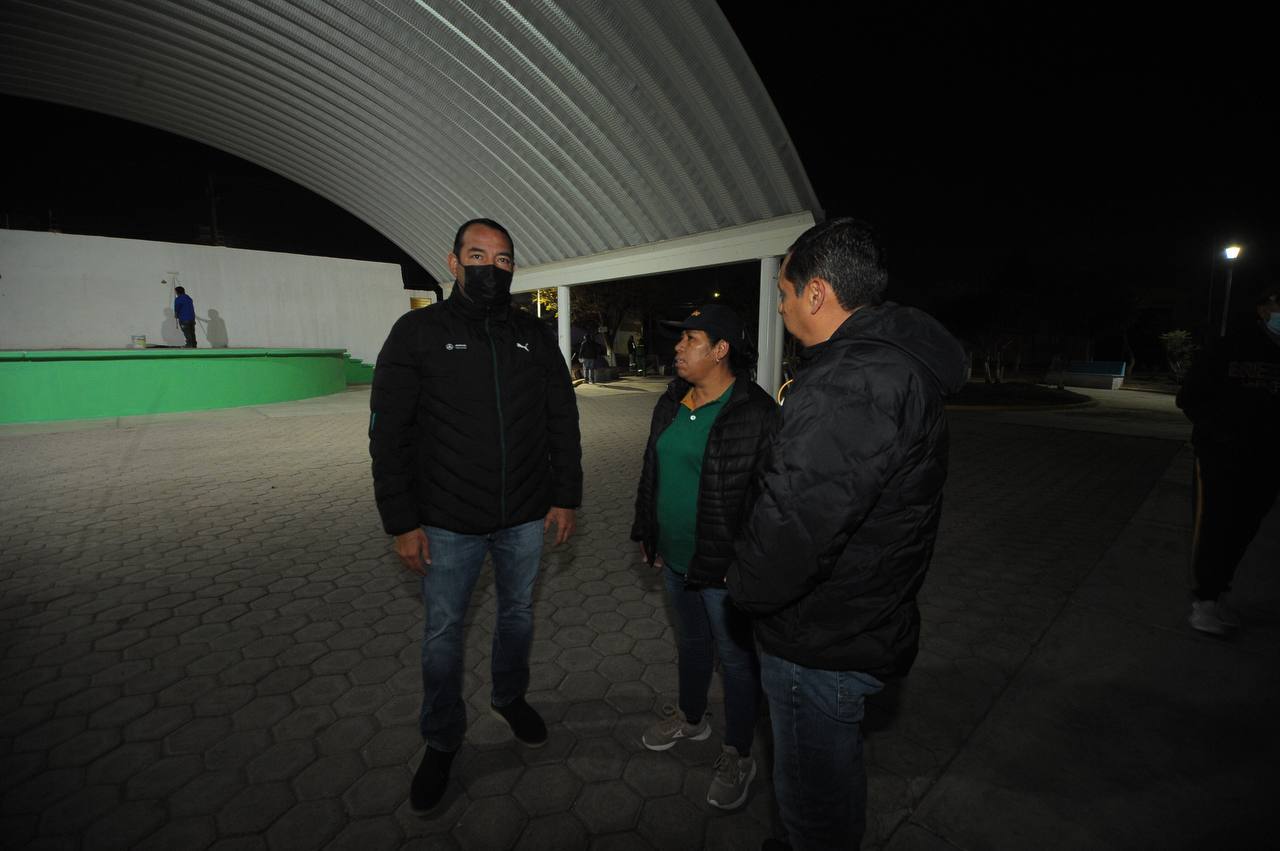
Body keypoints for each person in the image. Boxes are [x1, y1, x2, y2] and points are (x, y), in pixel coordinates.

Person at [726, 218, 967, 850]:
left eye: (783, 294)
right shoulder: (885, 367)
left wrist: (741, 587)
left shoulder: (851, 383)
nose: (779, 308)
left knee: (814, 811)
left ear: (816, 294)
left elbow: (796, 526)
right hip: (855, 618)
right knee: (826, 785)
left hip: (819, 640)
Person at [369, 218, 582, 814]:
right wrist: (402, 523)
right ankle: (441, 738)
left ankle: (509, 698)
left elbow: (562, 419)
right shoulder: (417, 333)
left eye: (505, 258)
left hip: (524, 518)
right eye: (480, 254)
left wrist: (566, 496)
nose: (494, 266)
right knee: (442, 637)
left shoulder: (533, 336)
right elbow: (389, 436)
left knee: (517, 616)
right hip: (445, 522)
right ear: (454, 262)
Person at [630, 304, 779, 810]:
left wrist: (748, 564)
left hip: (723, 567)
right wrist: (648, 532)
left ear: (720, 350)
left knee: (736, 660)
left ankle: (739, 751)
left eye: (690, 339)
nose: (678, 347)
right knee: (692, 644)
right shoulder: (671, 401)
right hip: (674, 558)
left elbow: (771, 502)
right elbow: (652, 471)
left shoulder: (756, 413)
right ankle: (692, 720)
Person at [1177, 286, 1280, 635]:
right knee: (1212, 526)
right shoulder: (1229, 347)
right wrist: (1221, 434)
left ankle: (1219, 593)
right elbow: (1190, 397)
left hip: (1268, 461)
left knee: (1243, 529)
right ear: (1263, 309)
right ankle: (1203, 602)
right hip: (1220, 457)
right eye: (1278, 304)